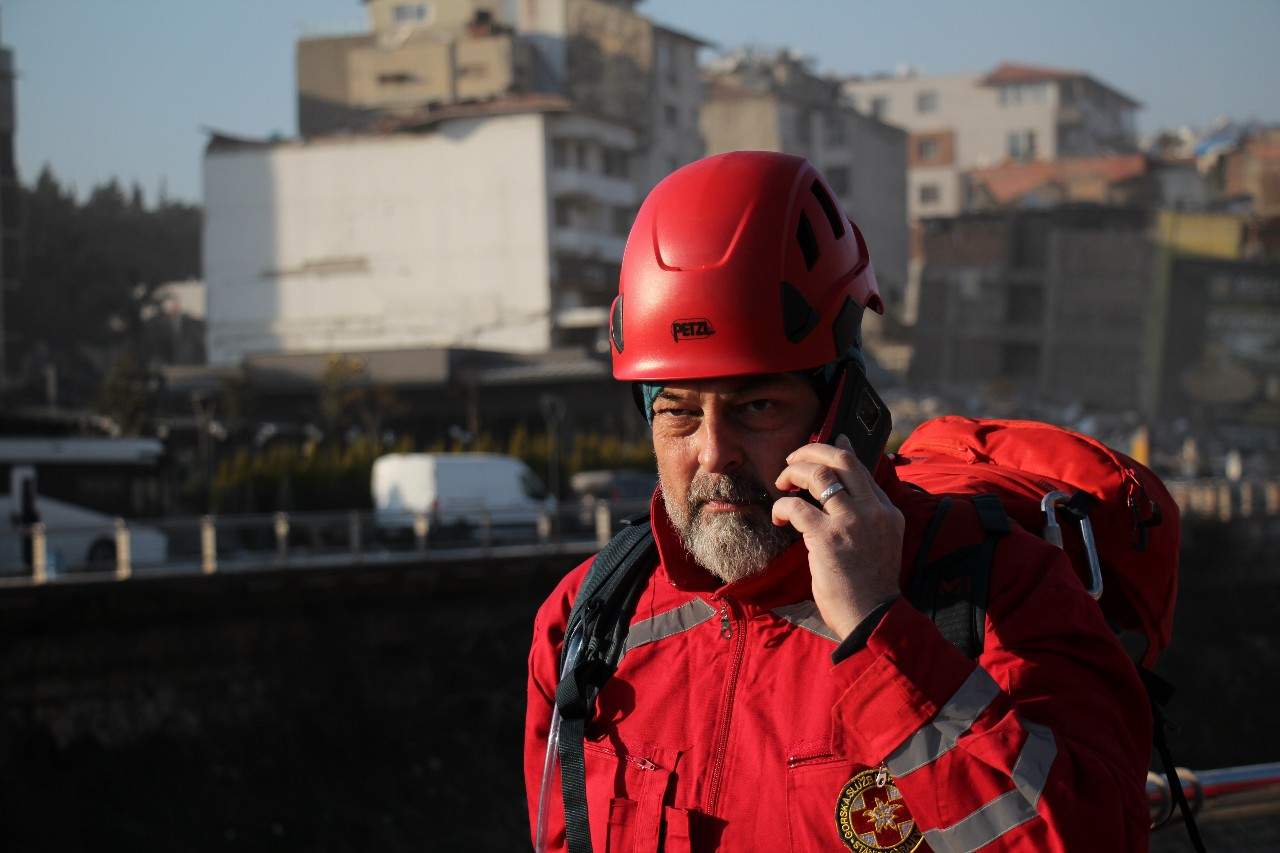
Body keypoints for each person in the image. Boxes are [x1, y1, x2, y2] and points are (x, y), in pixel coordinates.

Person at [524, 152, 1151, 852]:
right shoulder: (588, 621)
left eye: (755, 405)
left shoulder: (1004, 590)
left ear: (846, 410)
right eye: (677, 413)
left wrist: (881, 628)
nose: (712, 452)